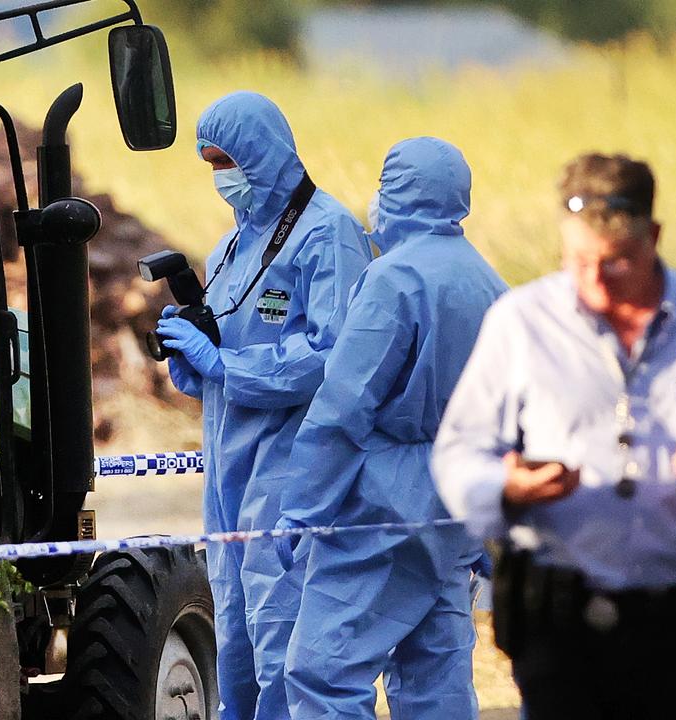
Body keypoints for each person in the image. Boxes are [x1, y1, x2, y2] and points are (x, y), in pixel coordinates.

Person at [432, 153, 676, 720]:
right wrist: (506, 485)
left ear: (655, 236)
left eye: (617, 262)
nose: (595, 284)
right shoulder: (520, 321)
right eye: (577, 261)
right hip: (554, 613)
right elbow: (459, 454)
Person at [274, 136, 507, 720]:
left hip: (383, 504)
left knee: (324, 674)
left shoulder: (393, 279)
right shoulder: (488, 282)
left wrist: (303, 502)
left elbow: (344, 404)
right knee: (437, 674)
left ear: (401, 191)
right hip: (457, 498)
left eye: (384, 184)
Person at [156, 91, 367, 720]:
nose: (223, 178)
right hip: (228, 469)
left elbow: (332, 354)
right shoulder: (228, 248)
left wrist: (229, 366)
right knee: (236, 646)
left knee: (288, 640)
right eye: (211, 164)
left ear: (263, 153)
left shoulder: (328, 234)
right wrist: (198, 364)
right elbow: (230, 341)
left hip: (293, 469)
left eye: (229, 161)